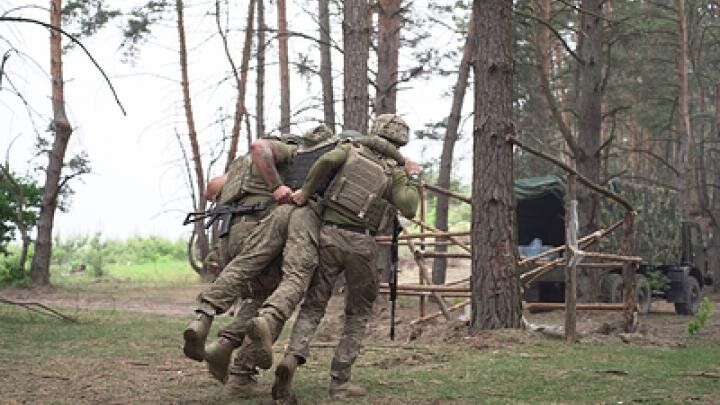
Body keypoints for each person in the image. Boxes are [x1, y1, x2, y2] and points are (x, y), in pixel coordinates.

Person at [269, 114, 421, 401]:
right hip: (361, 243)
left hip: (328, 236)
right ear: (400, 140)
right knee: (358, 312)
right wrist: (413, 175)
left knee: (314, 305)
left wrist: (306, 192)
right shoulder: (396, 170)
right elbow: (409, 207)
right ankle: (340, 382)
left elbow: (324, 162)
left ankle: (292, 358)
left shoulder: (351, 149)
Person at [201, 128, 361, 382]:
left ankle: (219, 339)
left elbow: (212, 190)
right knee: (274, 299)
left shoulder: (243, 165)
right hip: (260, 226)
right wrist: (277, 186)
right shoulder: (296, 156)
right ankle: (239, 363)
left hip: (228, 234)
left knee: (256, 292)